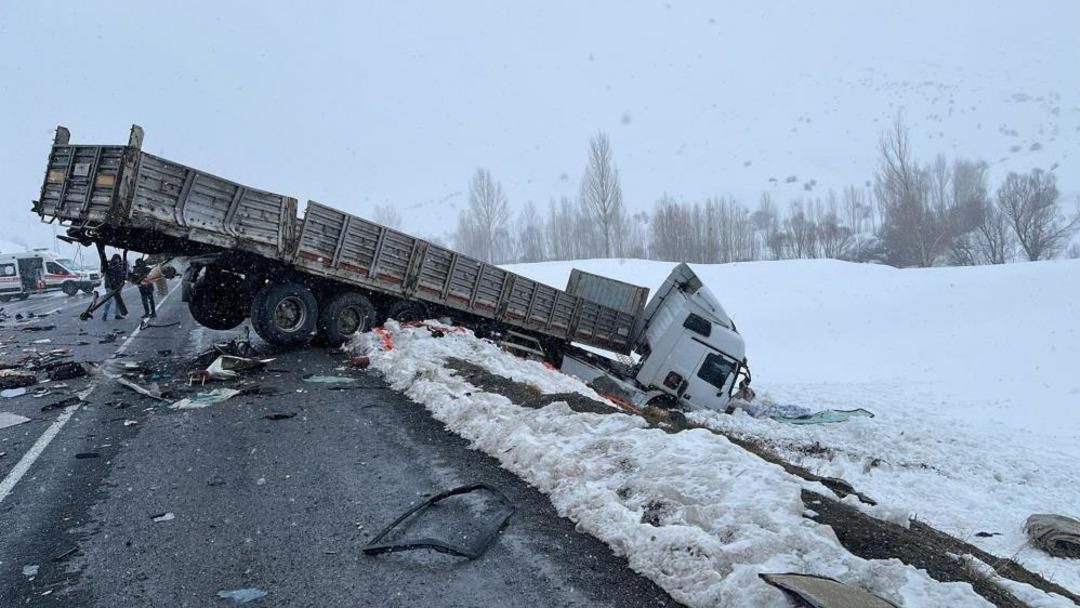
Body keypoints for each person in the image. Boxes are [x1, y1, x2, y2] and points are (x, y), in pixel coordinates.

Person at [96, 244, 129, 321]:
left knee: (118, 300)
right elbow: (104, 269)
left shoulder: (120, 266)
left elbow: (123, 273)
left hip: (118, 285)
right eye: (116, 258)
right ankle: (105, 314)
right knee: (109, 301)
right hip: (110, 285)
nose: (117, 260)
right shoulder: (109, 266)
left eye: (118, 258)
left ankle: (117, 315)